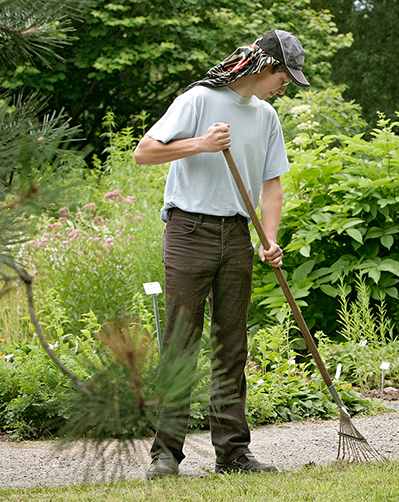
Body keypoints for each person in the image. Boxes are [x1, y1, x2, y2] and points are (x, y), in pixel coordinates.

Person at [133, 29, 310, 479]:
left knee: (231, 347)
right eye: (284, 76)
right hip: (189, 229)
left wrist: (269, 238)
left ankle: (232, 454)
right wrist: (201, 144)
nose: (286, 85)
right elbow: (145, 152)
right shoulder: (198, 99)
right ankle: (165, 454)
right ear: (265, 67)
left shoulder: (267, 116)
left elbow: (272, 184)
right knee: (181, 342)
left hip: (237, 236)